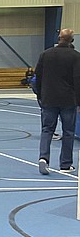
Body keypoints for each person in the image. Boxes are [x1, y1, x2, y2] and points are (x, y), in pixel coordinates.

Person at [34, 28, 80, 174]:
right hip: (68, 100)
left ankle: (43, 158)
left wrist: (40, 95)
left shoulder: (45, 54)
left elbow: (37, 78)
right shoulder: (76, 57)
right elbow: (77, 80)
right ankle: (65, 165)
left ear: (58, 38)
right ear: (72, 40)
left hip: (49, 98)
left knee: (47, 130)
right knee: (68, 132)